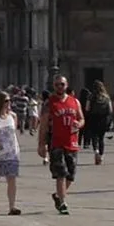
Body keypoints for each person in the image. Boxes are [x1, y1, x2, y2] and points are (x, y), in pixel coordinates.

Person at [38, 73, 83, 215]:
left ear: (67, 85)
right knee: (61, 174)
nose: (59, 87)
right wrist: (41, 144)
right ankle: (63, 203)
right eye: (57, 84)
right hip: (56, 143)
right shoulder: (49, 103)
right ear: (53, 86)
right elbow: (44, 125)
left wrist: (79, 124)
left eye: (62, 84)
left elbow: (82, 119)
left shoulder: (75, 102)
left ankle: (58, 195)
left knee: (71, 176)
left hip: (72, 142)